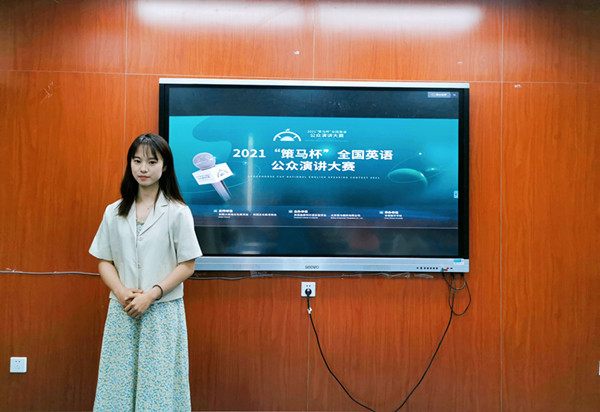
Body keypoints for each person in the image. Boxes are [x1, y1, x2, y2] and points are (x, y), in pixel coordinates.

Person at [89, 133, 202, 411]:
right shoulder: (113, 212)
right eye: (137, 160)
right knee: (117, 387)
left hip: (161, 312)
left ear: (165, 166)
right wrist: (121, 292)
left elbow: (187, 265)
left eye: (152, 162)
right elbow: (104, 261)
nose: (143, 168)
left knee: (158, 390)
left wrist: (151, 295)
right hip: (123, 310)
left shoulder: (178, 212)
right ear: (129, 163)